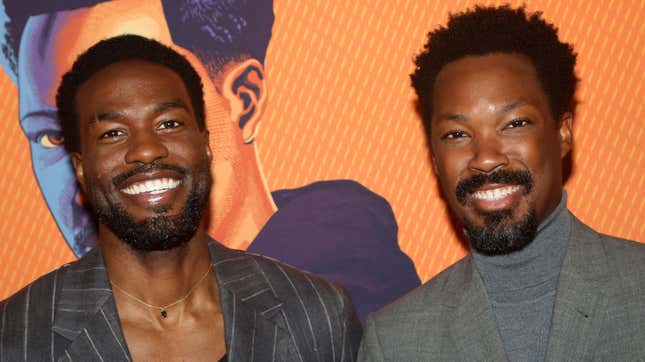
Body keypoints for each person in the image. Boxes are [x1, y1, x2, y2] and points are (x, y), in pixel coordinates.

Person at [0, 0, 420, 322]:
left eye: (162, 119)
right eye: (52, 134)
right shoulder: (31, 328)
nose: (96, 164)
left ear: (245, 101)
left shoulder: (339, 309)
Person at [0, 35, 362, 361]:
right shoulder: (16, 338)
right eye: (112, 133)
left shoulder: (315, 315)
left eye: (169, 124)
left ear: (205, 145)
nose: (145, 150)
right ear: (80, 167)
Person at [358, 5, 645, 361]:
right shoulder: (396, 341)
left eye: (514, 124)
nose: (485, 157)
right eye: (457, 133)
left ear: (563, 133)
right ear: (433, 157)